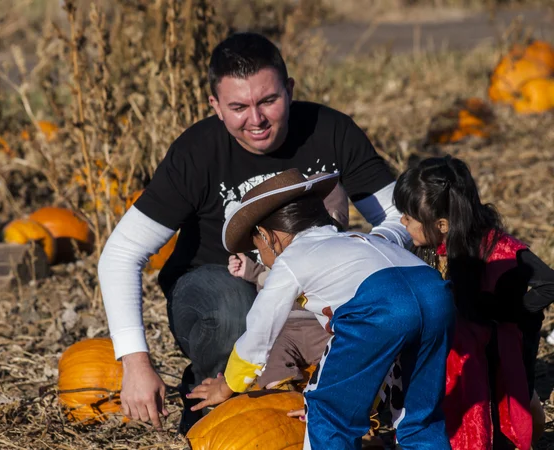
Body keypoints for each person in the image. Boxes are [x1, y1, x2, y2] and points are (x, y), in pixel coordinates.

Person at [97, 32, 410, 433]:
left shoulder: (330, 131)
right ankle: (224, 412)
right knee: (235, 307)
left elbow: (397, 219)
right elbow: (121, 254)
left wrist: (363, 263)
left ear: (289, 90)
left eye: (268, 101)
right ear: (215, 106)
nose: (256, 120)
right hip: (219, 286)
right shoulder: (197, 152)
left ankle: (342, 412)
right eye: (238, 107)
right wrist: (136, 363)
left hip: (311, 293)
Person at [187, 169, 455, 450]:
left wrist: (227, 385)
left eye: (257, 249)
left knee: (328, 416)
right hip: (436, 295)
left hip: (378, 308)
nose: (262, 259)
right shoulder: (359, 239)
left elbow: (259, 334)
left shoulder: (291, 259)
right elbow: (395, 236)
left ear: (268, 237)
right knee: (419, 418)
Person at [389, 155, 554, 450]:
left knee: (497, 421)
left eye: (409, 217)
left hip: (499, 356)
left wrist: (506, 314)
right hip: (457, 355)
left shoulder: (498, 248)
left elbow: (548, 283)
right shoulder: (427, 247)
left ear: (441, 224)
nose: (402, 221)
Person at [227, 172, 348, 390]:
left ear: (267, 237)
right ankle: (283, 385)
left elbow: (261, 327)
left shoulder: (291, 263)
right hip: (289, 329)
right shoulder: (350, 247)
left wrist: (231, 382)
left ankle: (321, 391)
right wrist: (252, 272)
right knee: (275, 351)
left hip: (320, 328)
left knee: (335, 357)